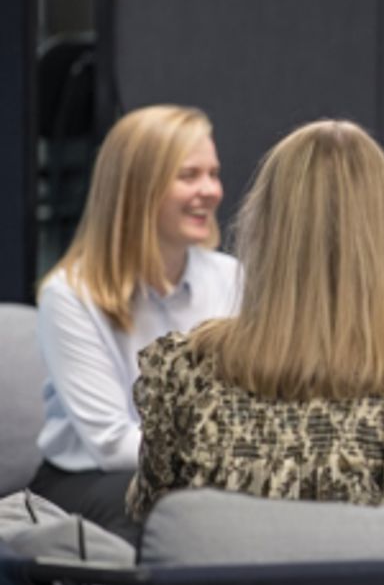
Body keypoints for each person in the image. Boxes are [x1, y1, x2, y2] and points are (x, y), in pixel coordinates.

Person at [125, 120, 384, 521]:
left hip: (235, 584)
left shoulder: (187, 374)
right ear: (383, 231)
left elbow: (156, 527)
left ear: (263, 227)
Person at [33, 105, 240, 541]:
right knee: (164, 508)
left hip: (204, 466)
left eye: (213, 174)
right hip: (92, 478)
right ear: (139, 189)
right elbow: (110, 443)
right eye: (189, 176)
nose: (210, 190)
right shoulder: (70, 295)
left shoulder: (230, 277)